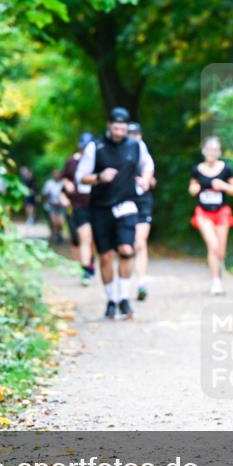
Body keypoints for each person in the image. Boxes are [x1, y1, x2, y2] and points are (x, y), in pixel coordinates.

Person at [75, 107, 155, 320]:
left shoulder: (136, 145)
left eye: (123, 128)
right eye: (116, 127)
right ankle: (111, 300)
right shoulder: (95, 147)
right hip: (101, 207)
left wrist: (146, 179)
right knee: (107, 256)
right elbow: (81, 176)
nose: (119, 132)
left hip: (127, 205)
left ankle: (124, 298)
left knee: (127, 250)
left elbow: (148, 165)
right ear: (109, 126)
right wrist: (99, 177)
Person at [188, 136, 233, 296]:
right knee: (213, 246)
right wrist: (194, 189)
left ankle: (219, 265)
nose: (212, 152)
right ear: (203, 150)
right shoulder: (197, 169)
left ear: (219, 152)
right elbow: (191, 188)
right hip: (203, 213)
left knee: (220, 250)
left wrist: (224, 186)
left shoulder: (226, 169)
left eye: (215, 150)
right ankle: (216, 282)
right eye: (209, 149)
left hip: (221, 212)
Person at [62, 132, 97, 285]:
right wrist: (67, 185)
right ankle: (86, 270)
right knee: (84, 237)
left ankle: (91, 262)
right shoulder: (72, 162)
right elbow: (64, 178)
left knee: (94, 239)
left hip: (96, 204)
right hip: (79, 204)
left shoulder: (99, 160)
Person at [128, 122, 156, 301]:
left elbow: (149, 174)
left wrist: (146, 180)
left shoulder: (143, 152)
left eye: (136, 134)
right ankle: (122, 284)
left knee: (140, 242)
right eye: (130, 134)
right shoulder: (118, 152)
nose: (134, 137)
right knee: (126, 245)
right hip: (123, 201)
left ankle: (141, 283)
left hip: (142, 201)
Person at [41, 169, 70, 246]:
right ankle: (55, 235)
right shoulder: (48, 183)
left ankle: (59, 234)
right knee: (53, 222)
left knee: (61, 222)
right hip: (51, 205)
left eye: (58, 174)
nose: (56, 175)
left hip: (61, 206)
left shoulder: (63, 183)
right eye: (55, 174)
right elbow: (45, 194)